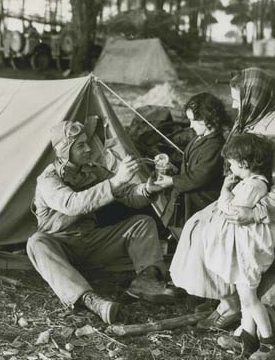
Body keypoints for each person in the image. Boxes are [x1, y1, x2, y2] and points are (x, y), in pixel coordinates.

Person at [167, 68, 275, 358]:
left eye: (237, 100)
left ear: (254, 99)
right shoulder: (261, 114)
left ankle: (259, 331)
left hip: (271, 210)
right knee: (198, 227)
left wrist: (252, 214)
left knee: (224, 252)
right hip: (249, 199)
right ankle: (235, 311)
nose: (234, 106)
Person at [27, 120, 178, 325]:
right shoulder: (48, 179)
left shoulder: (93, 171)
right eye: (80, 145)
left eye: (87, 142)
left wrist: (148, 189)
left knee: (142, 222)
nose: (88, 148)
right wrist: (115, 181)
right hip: (61, 247)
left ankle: (146, 280)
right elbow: (72, 204)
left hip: (91, 242)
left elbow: (129, 196)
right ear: (63, 150)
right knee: (36, 242)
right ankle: (90, 300)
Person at [200, 133, 275, 359]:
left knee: (249, 299)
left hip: (249, 254)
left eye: (233, 164)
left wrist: (225, 190)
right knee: (244, 295)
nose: (230, 168)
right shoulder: (249, 182)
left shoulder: (254, 186)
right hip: (243, 250)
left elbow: (229, 209)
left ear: (245, 164)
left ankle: (270, 342)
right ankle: (247, 337)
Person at [157, 92, 231, 226]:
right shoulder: (199, 137)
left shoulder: (216, 146)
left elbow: (200, 176)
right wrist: (173, 167)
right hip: (188, 198)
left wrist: (172, 181)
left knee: (193, 232)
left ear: (208, 119)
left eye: (194, 121)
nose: (190, 125)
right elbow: (190, 162)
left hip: (200, 203)